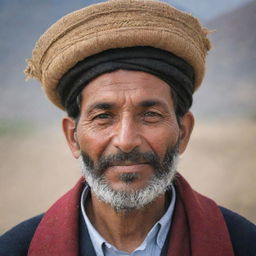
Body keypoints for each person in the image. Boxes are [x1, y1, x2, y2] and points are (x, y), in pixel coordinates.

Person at [1, 0, 255, 255]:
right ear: (73, 137)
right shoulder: (15, 249)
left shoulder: (242, 243)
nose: (126, 140)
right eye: (103, 117)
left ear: (183, 132)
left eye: (150, 115)